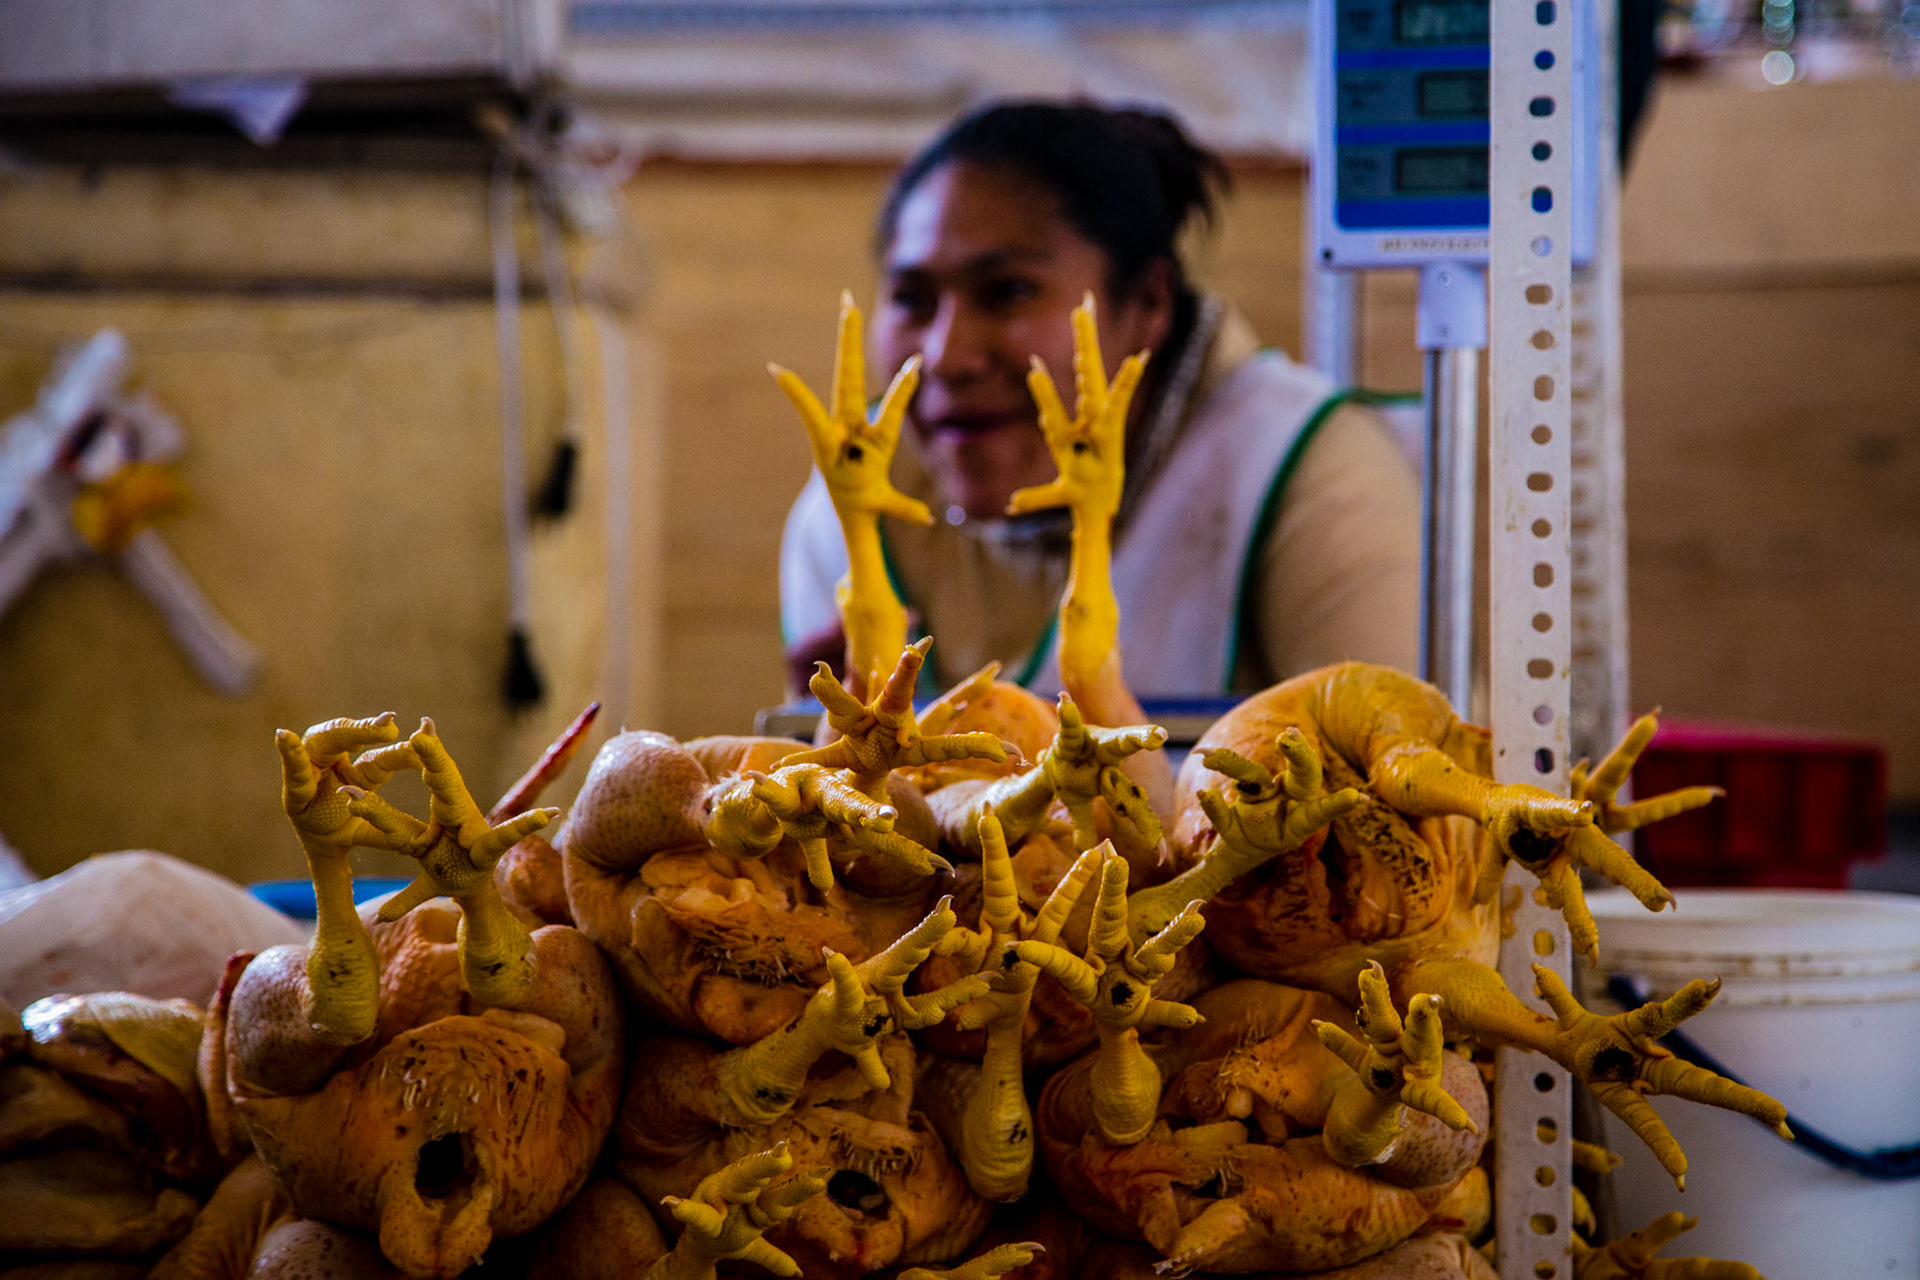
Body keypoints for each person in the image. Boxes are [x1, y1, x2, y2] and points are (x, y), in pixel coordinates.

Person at [780, 100, 1420, 704]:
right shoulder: (856, 498)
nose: (948, 356)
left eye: (1007, 291)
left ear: (1148, 304)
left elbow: (1402, 788)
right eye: (913, 299)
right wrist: (834, 745)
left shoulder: (1309, 476)